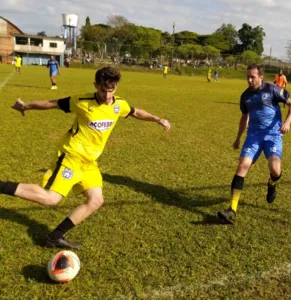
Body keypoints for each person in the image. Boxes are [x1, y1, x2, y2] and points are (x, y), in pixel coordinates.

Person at [0, 67, 171, 249]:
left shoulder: (119, 105)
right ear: (95, 85)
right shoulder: (81, 101)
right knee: (51, 199)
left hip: (89, 163)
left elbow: (136, 112)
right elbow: (51, 103)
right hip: (71, 156)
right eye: (103, 90)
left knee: (96, 200)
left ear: (116, 87)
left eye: (111, 90)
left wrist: (157, 119)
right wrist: (25, 106)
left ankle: (55, 237)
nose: (106, 95)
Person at [217, 64, 291, 224]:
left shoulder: (272, 89)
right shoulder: (245, 96)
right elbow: (244, 117)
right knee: (242, 166)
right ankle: (232, 209)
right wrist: (238, 138)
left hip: (273, 135)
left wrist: (287, 122)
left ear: (261, 77)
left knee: (275, 169)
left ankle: (272, 183)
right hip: (253, 136)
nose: (249, 79)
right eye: (247, 76)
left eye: (252, 76)